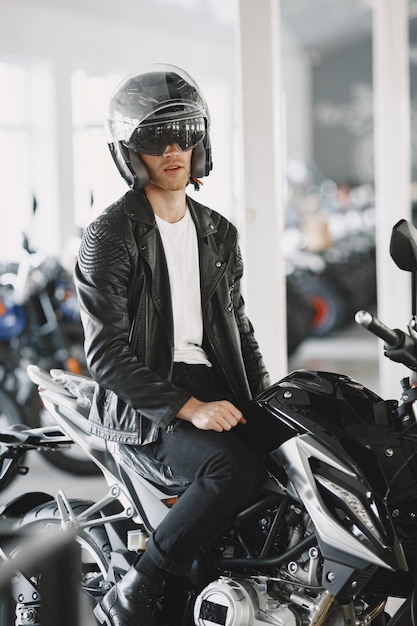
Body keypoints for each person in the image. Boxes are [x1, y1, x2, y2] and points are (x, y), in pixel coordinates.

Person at [74, 64, 270, 626]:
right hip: (145, 399)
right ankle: (138, 588)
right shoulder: (111, 234)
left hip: (216, 385)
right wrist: (190, 408)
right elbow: (106, 354)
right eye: (156, 139)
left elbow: (239, 330)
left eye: (184, 135)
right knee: (231, 470)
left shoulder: (218, 232)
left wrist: (268, 400)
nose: (172, 149)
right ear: (131, 153)